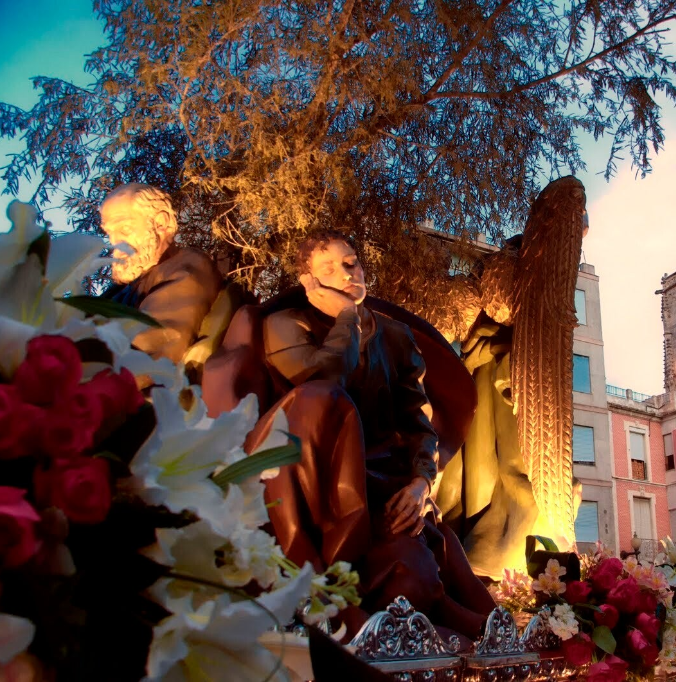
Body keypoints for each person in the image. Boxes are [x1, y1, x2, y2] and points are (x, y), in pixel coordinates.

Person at [206, 230, 495, 638]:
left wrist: (420, 483)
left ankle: (446, 622)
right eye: (329, 268)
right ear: (308, 281)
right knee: (320, 399)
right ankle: (316, 590)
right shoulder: (286, 325)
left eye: (351, 261)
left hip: (381, 490)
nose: (347, 273)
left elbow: (417, 422)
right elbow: (327, 384)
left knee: (412, 577)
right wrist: (346, 318)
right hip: (308, 488)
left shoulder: (395, 337)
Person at [100, 184, 223, 365]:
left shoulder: (185, 268)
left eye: (124, 230)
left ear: (161, 223)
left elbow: (152, 349)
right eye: (109, 233)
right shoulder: (120, 290)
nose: (114, 243)